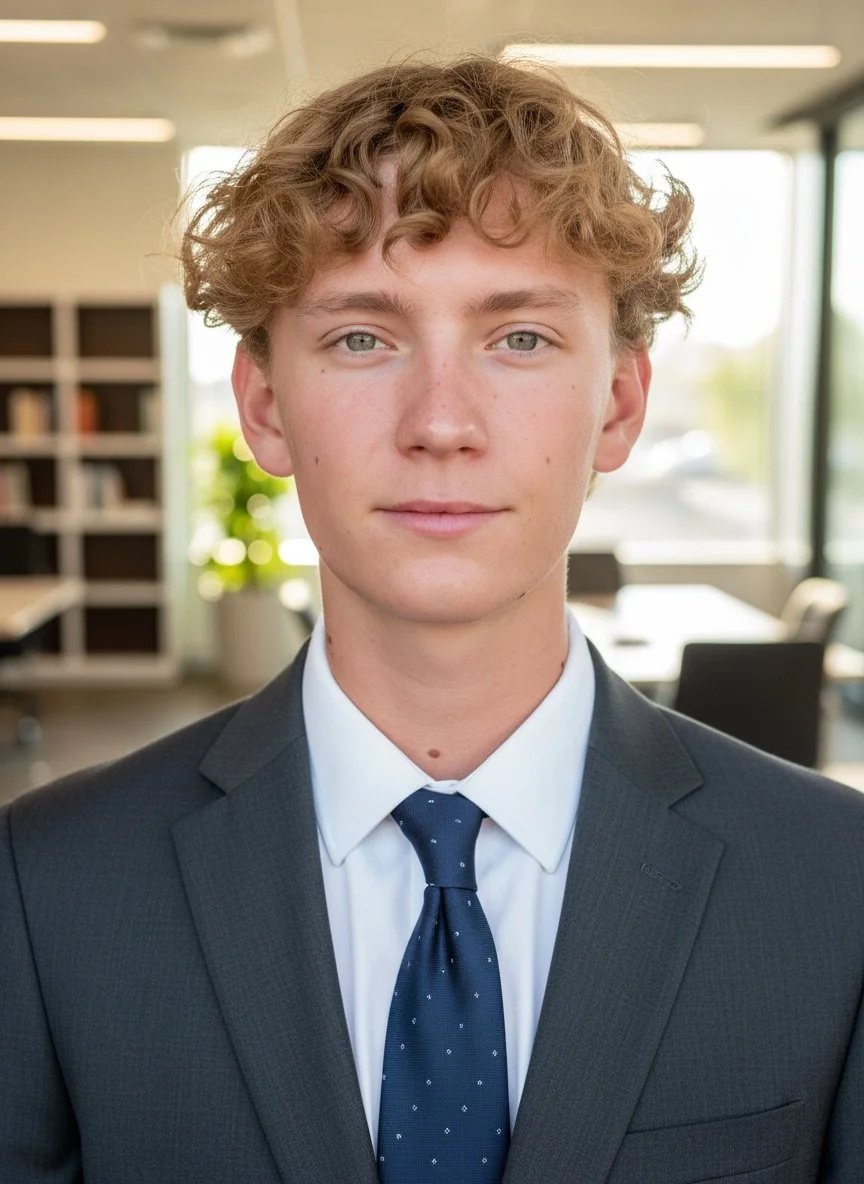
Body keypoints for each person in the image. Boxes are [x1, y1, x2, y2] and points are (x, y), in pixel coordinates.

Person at [1, 56, 862, 1184]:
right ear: (265, 405)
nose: (441, 423)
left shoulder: (835, 882)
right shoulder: (49, 883)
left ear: (619, 402)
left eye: (520, 338)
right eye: (363, 337)